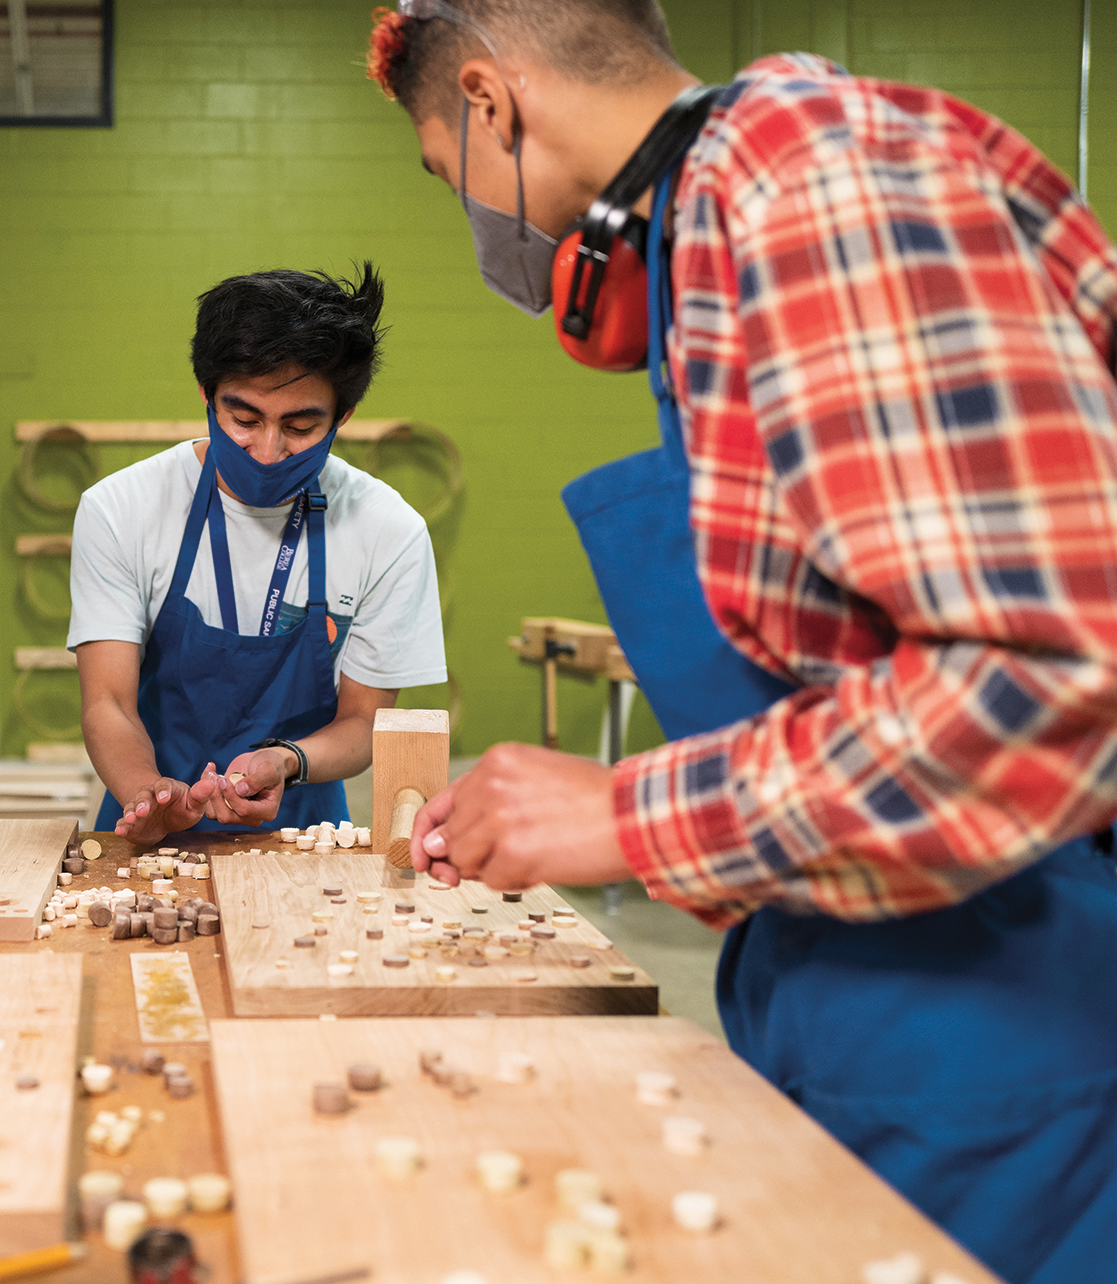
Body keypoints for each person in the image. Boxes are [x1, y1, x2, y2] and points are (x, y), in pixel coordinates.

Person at [366, 3, 1117, 1280]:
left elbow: (1042, 675)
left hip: (1008, 1009)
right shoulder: (722, 230)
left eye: (452, 176)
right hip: (869, 973)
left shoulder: (814, 181)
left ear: (491, 104)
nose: (484, 227)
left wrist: (631, 814)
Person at [72, 266, 446, 842]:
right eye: (244, 419)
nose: (268, 451)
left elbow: (363, 719)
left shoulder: (387, 529)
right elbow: (109, 703)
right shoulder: (121, 508)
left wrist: (286, 760)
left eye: (299, 426)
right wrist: (150, 794)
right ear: (206, 395)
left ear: (341, 417)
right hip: (149, 824)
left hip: (306, 836)